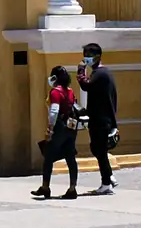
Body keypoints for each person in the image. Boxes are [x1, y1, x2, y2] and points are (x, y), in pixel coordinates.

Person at [32, 66, 82, 200]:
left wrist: (50, 128)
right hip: (71, 128)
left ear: (55, 78)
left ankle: (45, 187)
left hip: (59, 127)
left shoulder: (55, 92)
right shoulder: (70, 92)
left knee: (48, 156)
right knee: (70, 158)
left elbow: (54, 111)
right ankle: (72, 188)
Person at [79, 42, 121, 195]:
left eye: (88, 56)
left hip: (101, 119)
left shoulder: (100, 74)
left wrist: (80, 70)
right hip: (100, 118)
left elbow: (85, 85)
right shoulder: (101, 73)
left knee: (99, 149)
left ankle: (106, 183)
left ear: (97, 56)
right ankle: (109, 176)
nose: (85, 59)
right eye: (84, 56)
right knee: (98, 149)